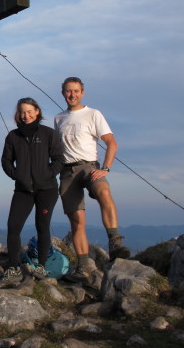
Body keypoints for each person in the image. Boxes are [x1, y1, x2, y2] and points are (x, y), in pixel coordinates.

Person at [54, 77, 130, 282]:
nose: (72, 94)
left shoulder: (93, 114)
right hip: (67, 172)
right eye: (69, 91)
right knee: (77, 221)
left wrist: (105, 168)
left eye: (76, 91)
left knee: (103, 191)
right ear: (63, 93)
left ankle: (115, 240)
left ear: (83, 93)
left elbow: (111, 142)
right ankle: (84, 266)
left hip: (90, 167)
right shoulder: (59, 118)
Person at [0, 98, 63, 282]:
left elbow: (59, 159)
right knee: (13, 227)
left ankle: (41, 267)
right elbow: (6, 161)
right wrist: (16, 175)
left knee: (42, 226)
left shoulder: (48, 134)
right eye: (22, 112)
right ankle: (13, 268)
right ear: (18, 114)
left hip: (47, 189)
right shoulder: (13, 136)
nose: (26, 115)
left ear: (37, 112)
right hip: (23, 190)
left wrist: (48, 174)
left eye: (29, 111)